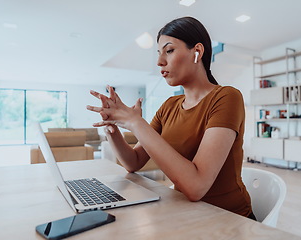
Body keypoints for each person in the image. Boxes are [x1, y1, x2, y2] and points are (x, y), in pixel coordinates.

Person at [87, 16, 255, 219]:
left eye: (169, 50)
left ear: (197, 52)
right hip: (185, 211)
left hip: (228, 219)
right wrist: (112, 127)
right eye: (159, 54)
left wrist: (136, 122)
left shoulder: (226, 97)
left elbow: (196, 187)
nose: (160, 62)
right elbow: (134, 162)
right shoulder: (169, 106)